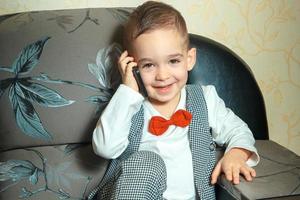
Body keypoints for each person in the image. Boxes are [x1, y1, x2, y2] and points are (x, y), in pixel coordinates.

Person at [89, 1, 259, 200]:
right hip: (134, 194)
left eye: (173, 61)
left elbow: (238, 130)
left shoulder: (205, 99)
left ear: (189, 59)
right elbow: (105, 147)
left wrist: (236, 154)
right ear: (132, 66)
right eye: (148, 65)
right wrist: (127, 90)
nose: (162, 75)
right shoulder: (129, 105)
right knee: (146, 163)